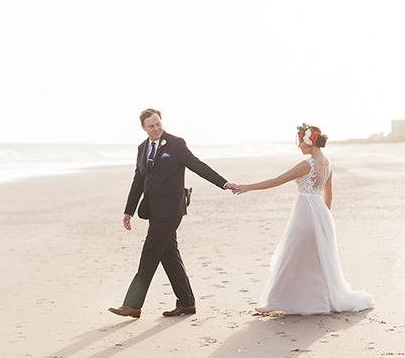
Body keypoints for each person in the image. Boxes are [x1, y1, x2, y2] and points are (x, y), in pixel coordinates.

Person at [234, 123, 374, 315]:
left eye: (300, 142)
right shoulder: (327, 164)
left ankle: (275, 303)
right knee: (314, 260)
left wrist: (247, 186)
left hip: (306, 212)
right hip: (321, 212)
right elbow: (329, 195)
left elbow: (276, 181)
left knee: (290, 255)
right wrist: (324, 219)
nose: (298, 146)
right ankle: (310, 300)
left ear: (310, 142)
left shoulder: (307, 165)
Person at [109, 109, 237, 318]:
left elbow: (197, 165)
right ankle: (186, 302)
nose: (156, 128)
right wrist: (128, 211)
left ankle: (132, 305)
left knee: (149, 255)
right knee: (169, 256)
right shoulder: (142, 148)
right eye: (151, 126)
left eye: (158, 124)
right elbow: (138, 180)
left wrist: (224, 183)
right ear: (143, 128)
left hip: (171, 209)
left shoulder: (175, 144)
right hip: (153, 209)